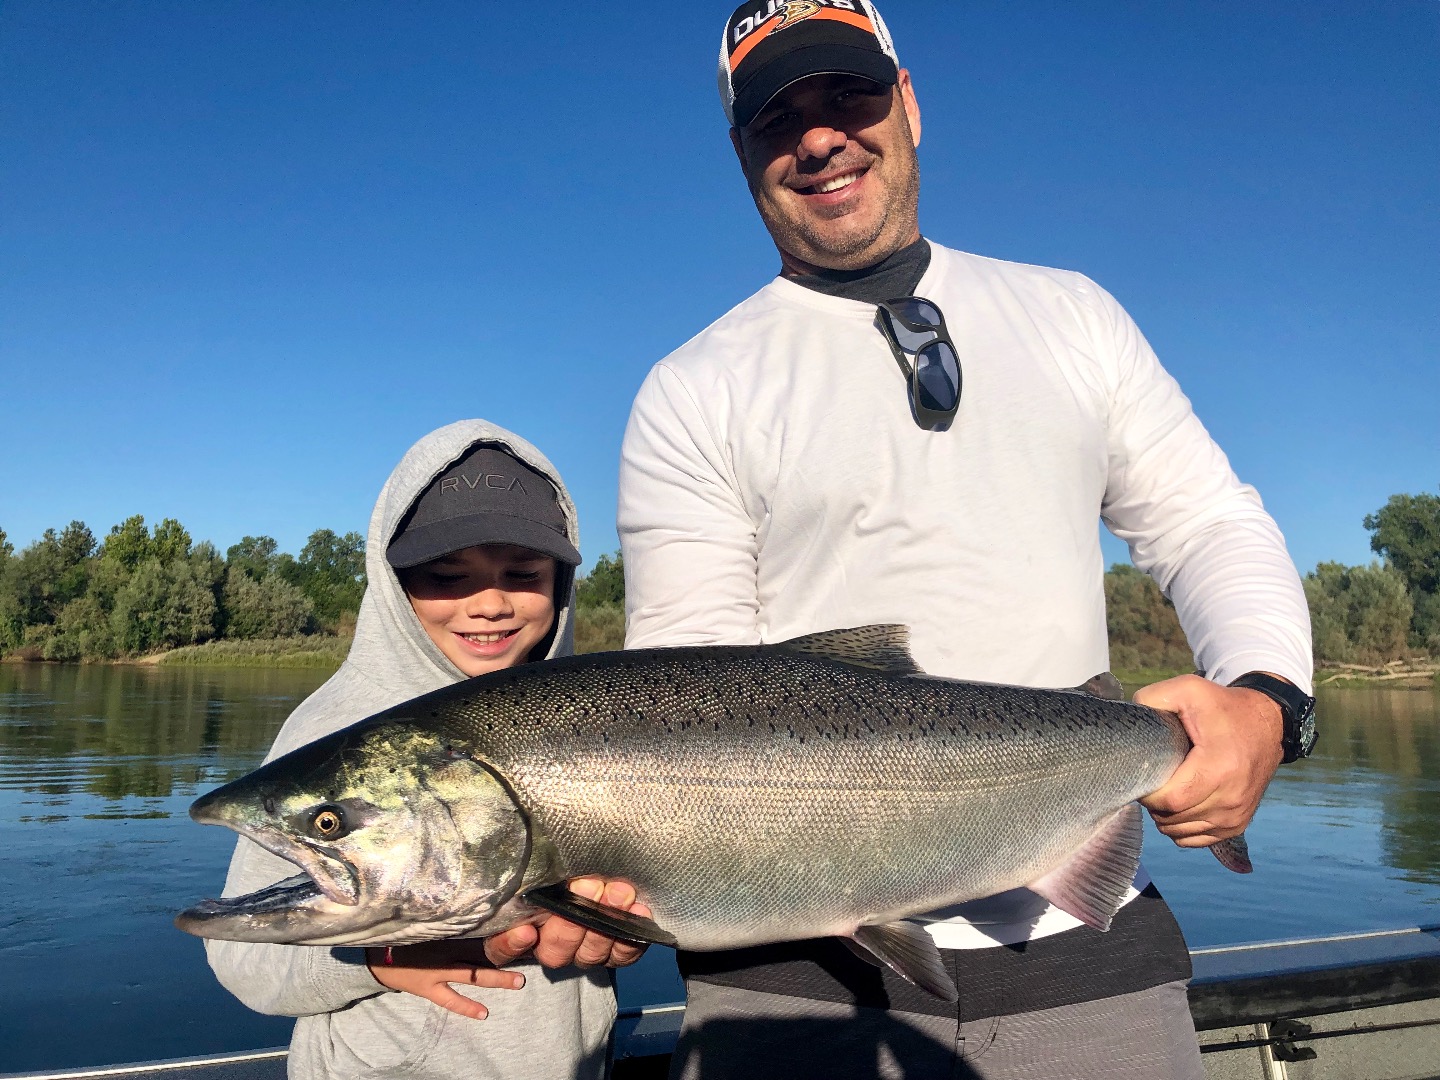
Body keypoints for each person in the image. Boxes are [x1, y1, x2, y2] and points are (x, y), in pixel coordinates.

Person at [617, 3, 1315, 1078]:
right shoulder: (691, 387)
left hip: (1087, 944)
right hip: (793, 976)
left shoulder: (1073, 314)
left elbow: (1207, 521)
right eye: (777, 117)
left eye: (847, 95)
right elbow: (687, 683)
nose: (818, 137)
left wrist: (1268, 701)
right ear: (743, 153)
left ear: (909, 103)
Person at [207, 419, 647, 1080]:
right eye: (447, 576)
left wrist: (628, 928)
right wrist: (383, 957)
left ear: (561, 578)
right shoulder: (334, 732)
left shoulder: (600, 724)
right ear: (393, 584)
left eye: (522, 572)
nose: (490, 603)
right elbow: (244, 962)